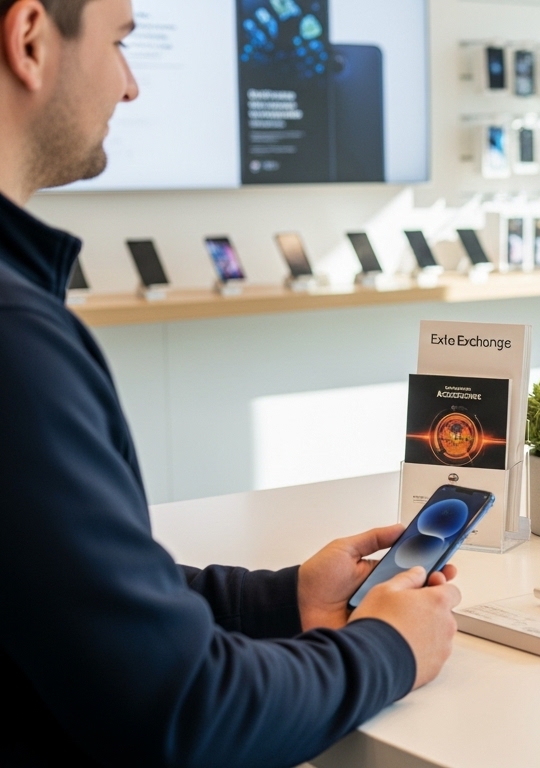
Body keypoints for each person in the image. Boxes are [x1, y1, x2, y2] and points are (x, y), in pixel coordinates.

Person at [0, 1, 462, 764]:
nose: (131, 86)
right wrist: (390, 649)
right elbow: (185, 712)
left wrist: (280, 600)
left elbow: (65, 587)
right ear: (29, 41)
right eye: (120, 43)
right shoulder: (16, 342)